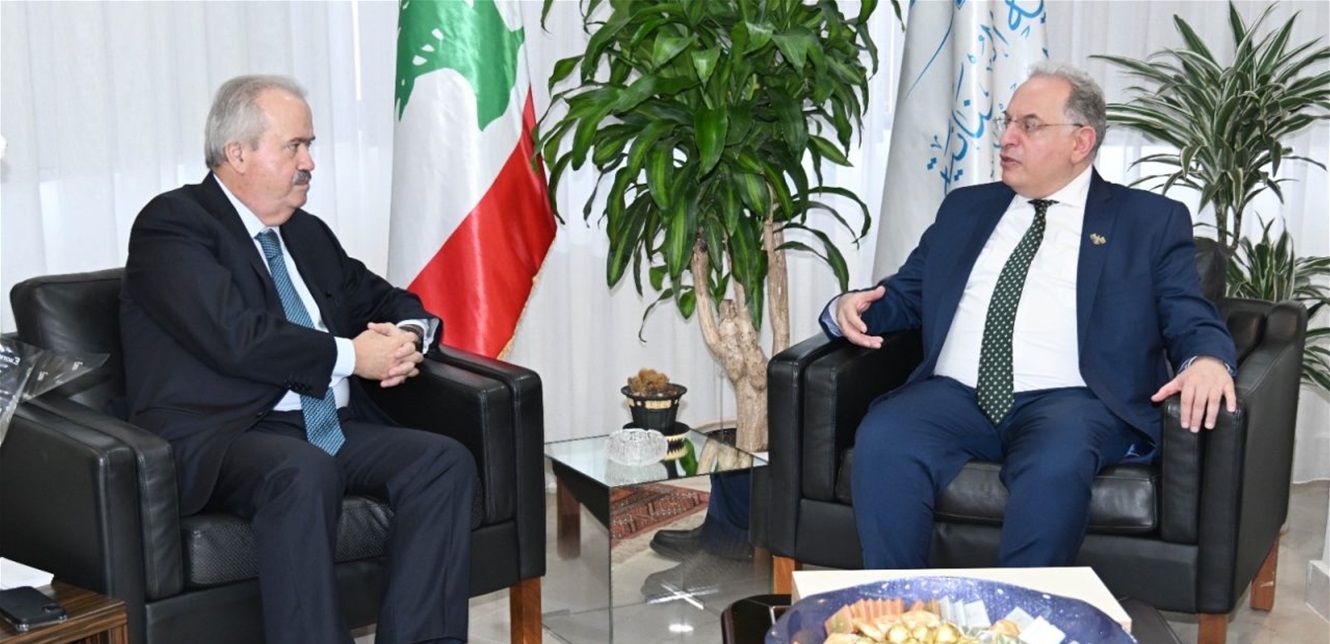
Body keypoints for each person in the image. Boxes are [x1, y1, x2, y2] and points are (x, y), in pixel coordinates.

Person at [824, 62, 1237, 569]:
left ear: (1081, 142)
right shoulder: (966, 208)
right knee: (886, 435)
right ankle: (899, 605)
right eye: (1007, 122)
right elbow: (906, 295)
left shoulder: (1146, 220)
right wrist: (848, 306)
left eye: (1030, 125)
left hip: (1073, 400)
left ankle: (1020, 609)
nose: (1007, 138)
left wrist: (1207, 359)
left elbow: (1187, 312)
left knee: (1055, 464)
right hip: (954, 394)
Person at [120, 75, 474, 644]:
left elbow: (387, 299)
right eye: (294, 146)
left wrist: (406, 335)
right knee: (303, 471)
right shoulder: (174, 226)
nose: (309, 162)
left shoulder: (305, 234)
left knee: (442, 462)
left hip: (324, 424)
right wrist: (353, 356)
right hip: (226, 433)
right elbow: (236, 337)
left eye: (310, 145)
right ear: (238, 153)